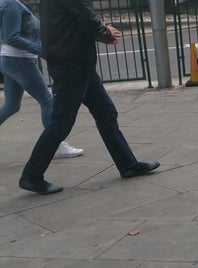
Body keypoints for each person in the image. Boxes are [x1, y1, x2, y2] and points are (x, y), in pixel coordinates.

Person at [18, 0, 160, 195]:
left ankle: (128, 164)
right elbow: (85, 17)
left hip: (75, 61)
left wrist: (102, 32)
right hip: (71, 63)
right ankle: (31, 175)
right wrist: (106, 32)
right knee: (61, 123)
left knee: (106, 113)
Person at [0, 0, 83, 158]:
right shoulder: (11, 4)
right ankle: (55, 147)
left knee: (11, 106)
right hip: (19, 59)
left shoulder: (14, 3)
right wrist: (40, 50)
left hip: (12, 59)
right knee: (48, 100)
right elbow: (11, 37)